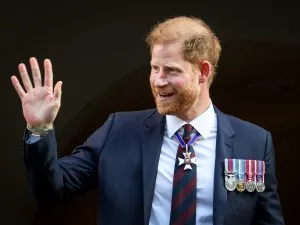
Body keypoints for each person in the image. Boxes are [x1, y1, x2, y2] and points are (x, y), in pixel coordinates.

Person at [11, 16, 285, 225]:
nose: (158, 80)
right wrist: (40, 129)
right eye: (154, 68)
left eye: (171, 70)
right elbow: (53, 188)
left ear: (202, 72)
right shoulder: (118, 130)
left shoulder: (255, 141)